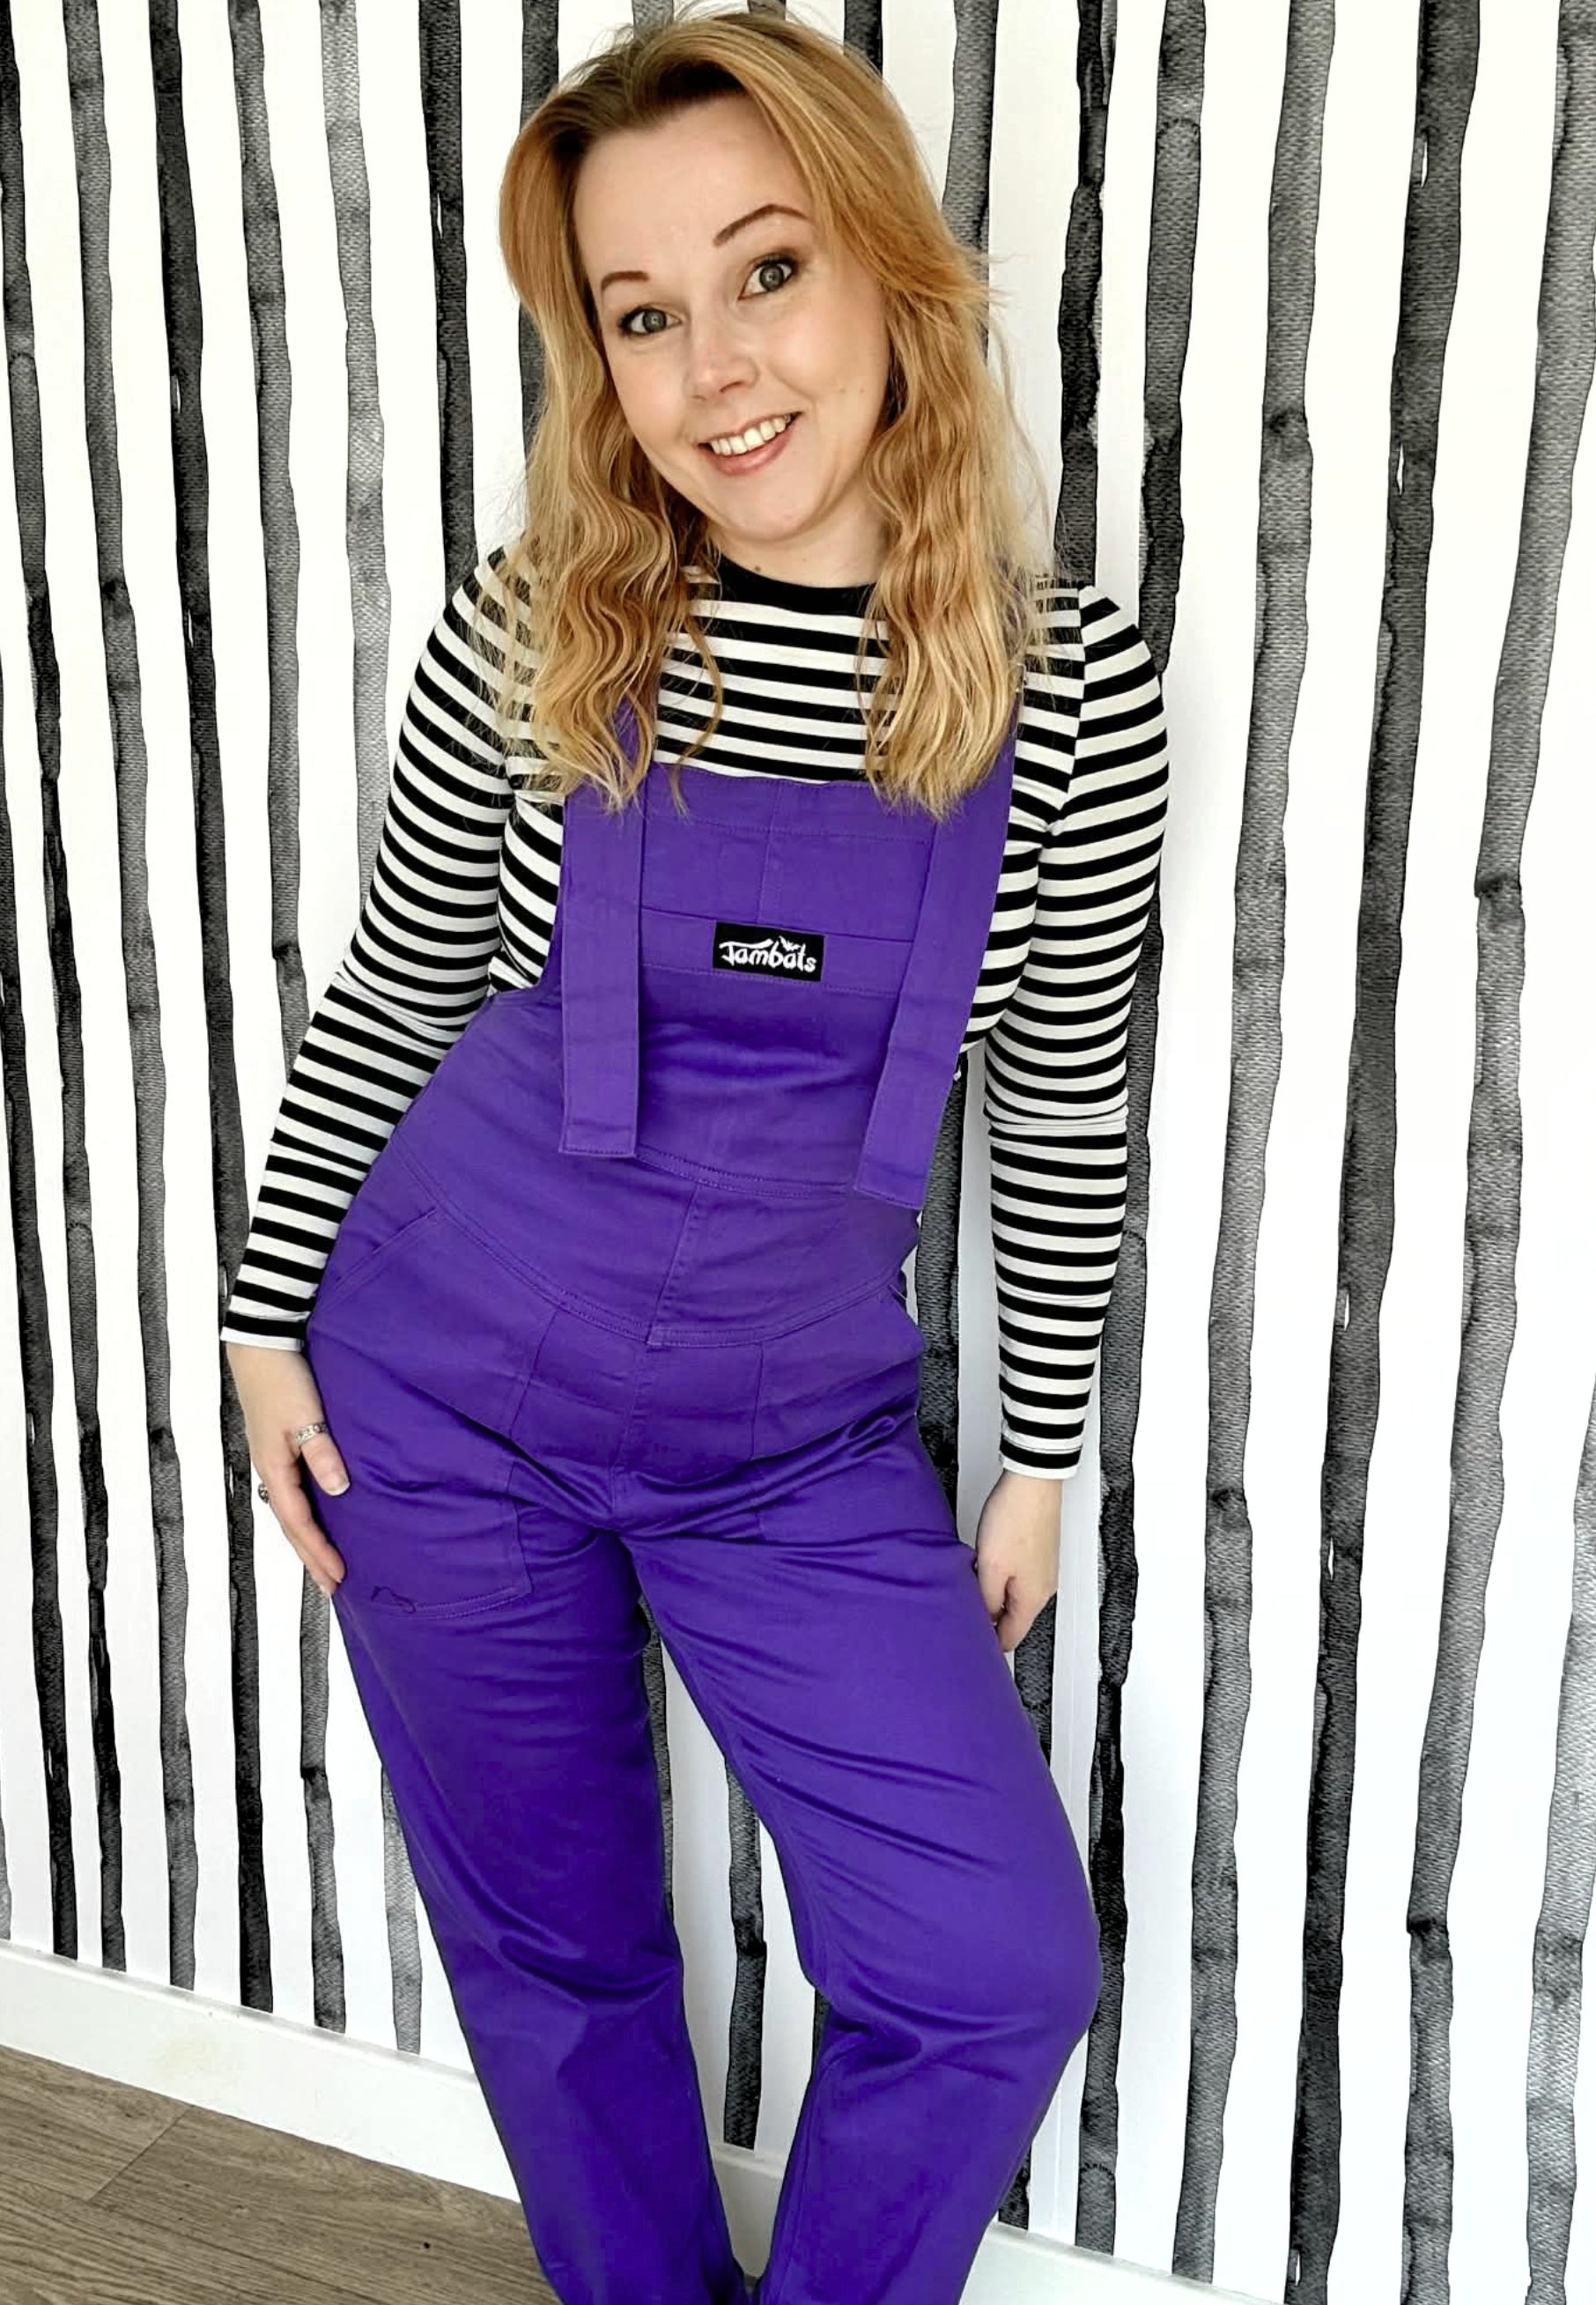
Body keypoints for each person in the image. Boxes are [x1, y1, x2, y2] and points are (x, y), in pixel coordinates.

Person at [223, 10, 1167, 2301]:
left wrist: (1034, 1452)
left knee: (987, 1963)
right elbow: (396, 988)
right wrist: (260, 1315)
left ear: (886, 275)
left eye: (765, 272)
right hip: (438, 1398)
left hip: (790, 1439)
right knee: (554, 1957)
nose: (715, 364)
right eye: (642, 315)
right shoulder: (535, 627)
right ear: (600, 365)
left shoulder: (1065, 685)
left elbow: (1052, 1092)